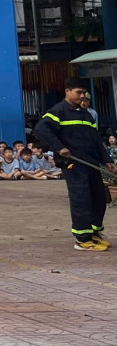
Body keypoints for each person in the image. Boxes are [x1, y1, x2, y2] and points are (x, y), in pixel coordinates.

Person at [34, 82, 112, 250]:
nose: (82, 96)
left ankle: (94, 233)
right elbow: (41, 129)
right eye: (78, 92)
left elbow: (96, 140)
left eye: (84, 92)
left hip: (90, 162)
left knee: (98, 198)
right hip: (74, 163)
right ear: (67, 91)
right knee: (81, 199)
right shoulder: (58, 111)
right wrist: (59, 147)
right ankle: (82, 239)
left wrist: (108, 160)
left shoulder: (86, 114)